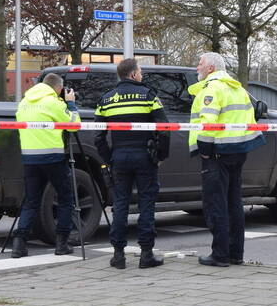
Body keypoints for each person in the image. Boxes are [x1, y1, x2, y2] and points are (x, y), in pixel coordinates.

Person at [188, 52, 265, 267]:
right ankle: (235, 253)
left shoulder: (211, 89)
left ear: (211, 68)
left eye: (200, 63)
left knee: (216, 203)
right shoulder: (238, 89)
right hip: (237, 151)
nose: (197, 67)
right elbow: (250, 119)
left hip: (216, 153)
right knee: (234, 203)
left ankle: (220, 254)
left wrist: (204, 149)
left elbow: (208, 122)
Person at [94, 58, 169, 269]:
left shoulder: (105, 100)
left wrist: (109, 158)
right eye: (141, 72)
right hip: (145, 157)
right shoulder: (148, 96)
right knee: (146, 204)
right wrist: (161, 155)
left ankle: (118, 256)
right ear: (134, 74)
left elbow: (98, 136)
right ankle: (146, 255)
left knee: (120, 206)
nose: (142, 75)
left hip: (119, 157)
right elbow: (164, 128)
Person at [12, 73, 80, 258]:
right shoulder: (54, 103)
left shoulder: (24, 102)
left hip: (29, 158)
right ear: (58, 88)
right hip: (52, 157)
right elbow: (74, 125)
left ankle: (19, 244)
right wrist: (71, 104)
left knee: (31, 201)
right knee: (66, 199)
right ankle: (62, 243)